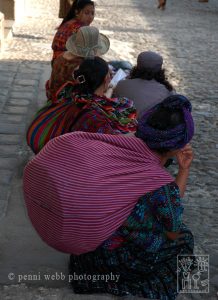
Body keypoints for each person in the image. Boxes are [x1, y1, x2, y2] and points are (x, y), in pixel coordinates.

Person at [23, 94, 195, 299]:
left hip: (86, 255)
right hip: (116, 262)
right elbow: (172, 224)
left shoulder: (112, 145)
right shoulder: (159, 184)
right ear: (176, 147)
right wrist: (184, 170)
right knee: (184, 239)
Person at [26, 57, 137, 154]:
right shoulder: (94, 115)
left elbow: (98, 97)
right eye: (109, 74)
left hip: (45, 140)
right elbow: (116, 139)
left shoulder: (69, 92)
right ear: (106, 79)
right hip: (62, 157)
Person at [46, 26, 110, 103]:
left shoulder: (62, 56)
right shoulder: (85, 67)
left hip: (53, 97)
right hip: (69, 105)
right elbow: (92, 96)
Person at [113, 51, 174, 118]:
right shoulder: (168, 92)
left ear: (137, 66)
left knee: (125, 64)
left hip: (124, 125)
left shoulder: (121, 85)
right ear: (160, 70)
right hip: (150, 127)